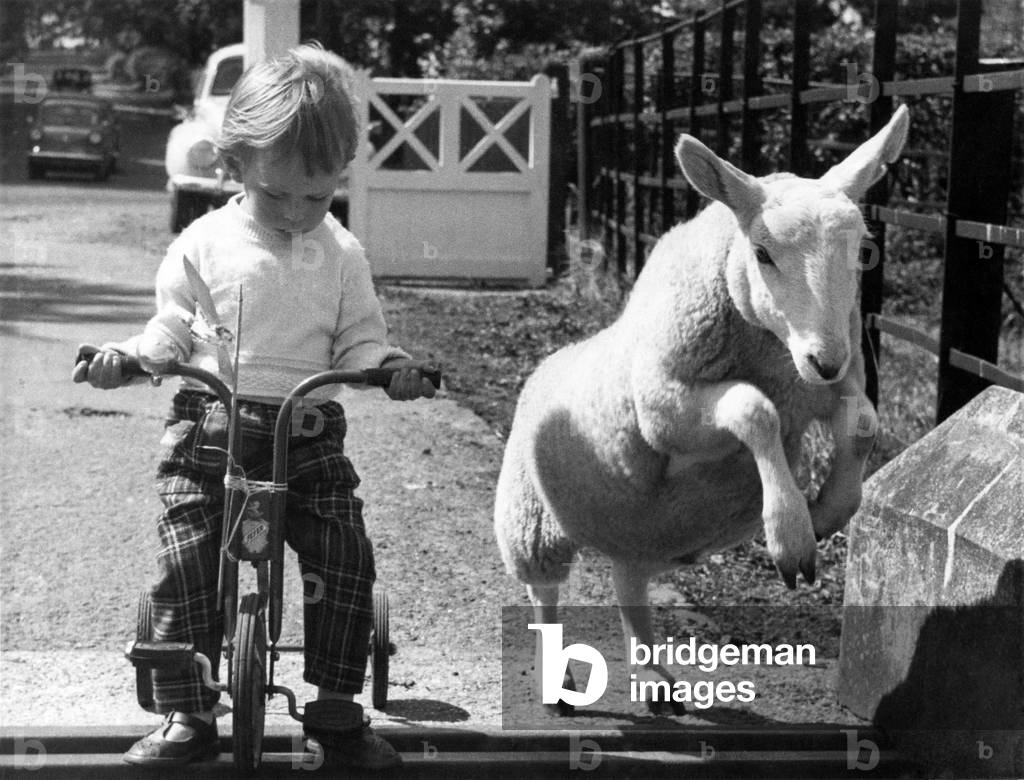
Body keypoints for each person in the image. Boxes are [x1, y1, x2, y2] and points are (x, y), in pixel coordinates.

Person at [72, 42, 436, 769]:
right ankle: (186, 709)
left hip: (308, 432)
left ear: (339, 178)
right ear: (233, 165)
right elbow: (172, 328)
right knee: (185, 559)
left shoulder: (342, 254)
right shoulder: (203, 243)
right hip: (211, 428)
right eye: (279, 195)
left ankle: (336, 707)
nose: (300, 212)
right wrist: (130, 360)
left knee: (342, 549)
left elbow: (361, 340)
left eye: (319, 194)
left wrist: (388, 368)